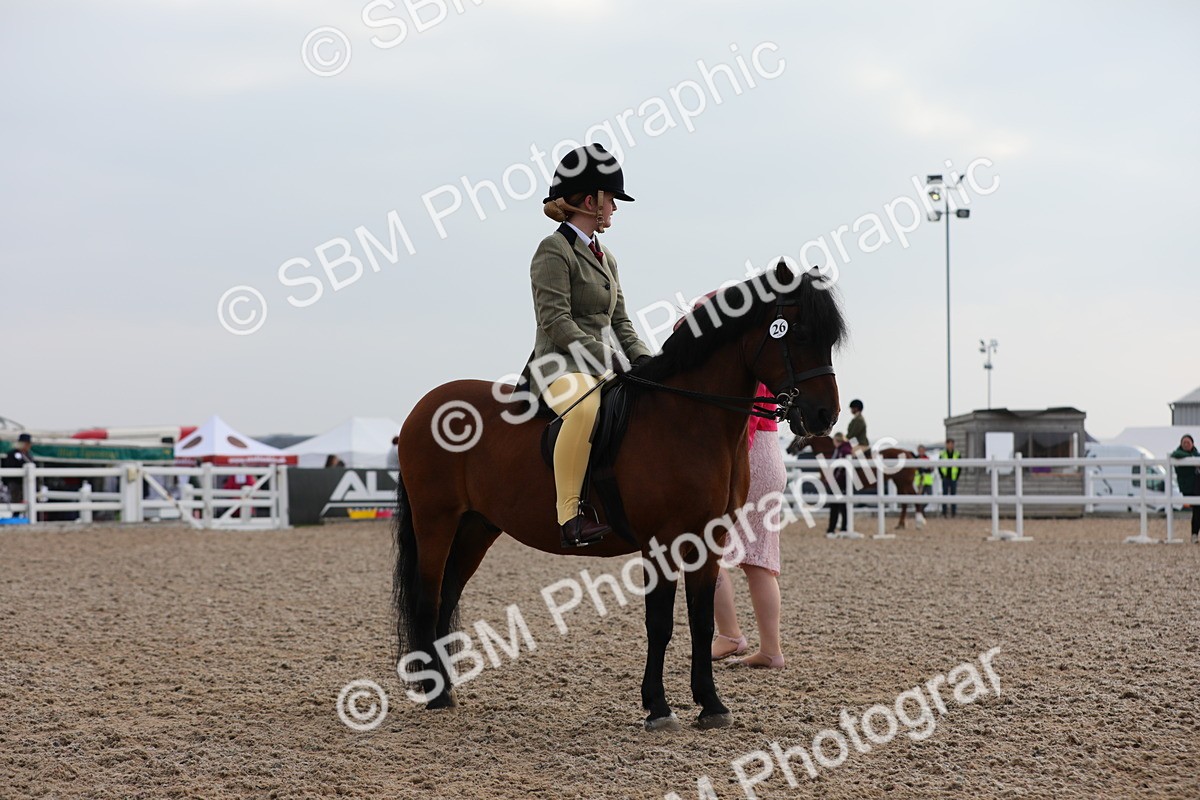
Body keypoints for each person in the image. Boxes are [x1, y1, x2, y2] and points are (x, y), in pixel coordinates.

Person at [520, 143, 651, 548]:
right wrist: (606, 356)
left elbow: (622, 321)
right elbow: (555, 321)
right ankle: (570, 515)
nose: (615, 207)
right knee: (584, 410)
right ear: (591, 200)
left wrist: (649, 363)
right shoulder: (553, 250)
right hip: (558, 367)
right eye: (611, 198)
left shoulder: (607, 258)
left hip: (601, 367)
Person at [711, 384, 787, 669]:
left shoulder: (742, 354)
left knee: (703, 553)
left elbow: (747, 418)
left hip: (751, 454)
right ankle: (770, 650)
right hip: (770, 455)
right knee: (759, 563)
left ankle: (730, 634)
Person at [1169, 434, 1200, 543]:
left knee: (1197, 510)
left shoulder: (1197, 455)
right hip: (1189, 488)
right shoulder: (1178, 454)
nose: (1186, 444)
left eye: (1188, 442)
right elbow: (1175, 454)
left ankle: (1194, 535)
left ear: (1193, 444)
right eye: (1184, 443)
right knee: (1197, 509)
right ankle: (1194, 534)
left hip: (1197, 486)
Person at [824, 432, 853, 534]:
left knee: (836, 506)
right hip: (840, 481)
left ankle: (834, 528)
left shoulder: (843, 451)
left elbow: (839, 467)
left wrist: (833, 479)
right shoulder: (843, 449)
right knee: (840, 506)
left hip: (839, 482)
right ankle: (841, 527)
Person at [2, 433, 36, 505]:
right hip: (15, 484)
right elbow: (9, 467)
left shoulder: (29, 455)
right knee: (16, 502)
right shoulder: (12, 454)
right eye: (27, 444)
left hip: (26, 484)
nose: (29, 446)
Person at [939, 438, 961, 517]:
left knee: (953, 496)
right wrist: (942, 475)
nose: (950, 445)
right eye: (949, 443)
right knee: (944, 495)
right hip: (945, 477)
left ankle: (953, 513)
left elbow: (959, 467)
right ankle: (944, 512)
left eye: (952, 444)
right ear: (946, 444)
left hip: (953, 478)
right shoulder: (942, 454)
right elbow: (939, 466)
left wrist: (957, 476)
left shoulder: (957, 454)